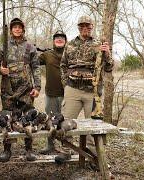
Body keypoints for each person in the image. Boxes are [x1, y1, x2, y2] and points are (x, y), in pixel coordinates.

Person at [56, 15, 114, 163]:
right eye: (82, 26)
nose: (85, 29)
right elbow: (63, 65)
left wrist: (106, 53)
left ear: (92, 27)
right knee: (66, 121)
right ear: (79, 27)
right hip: (72, 89)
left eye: (88, 26)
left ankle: (94, 156)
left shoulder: (99, 44)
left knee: (94, 124)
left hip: (92, 91)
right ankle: (65, 151)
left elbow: (109, 67)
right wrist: (66, 84)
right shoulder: (70, 45)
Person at [0, 18, 41, 162]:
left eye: (20, 27)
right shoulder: (3, 47)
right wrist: (0, 70)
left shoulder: (30, 47)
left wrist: (37, 87)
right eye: (14, 27)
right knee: (7, 118)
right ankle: (7, 150)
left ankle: (29, 150)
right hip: (8, 90)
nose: (17, 29)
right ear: (11, 30)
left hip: (26, 90)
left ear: (23, 29)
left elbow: (36, 68)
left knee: (28, 117)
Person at [38, 30, 67, 154]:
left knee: (64, 122)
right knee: (49, 120)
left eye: (62, 38)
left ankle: (65, 147)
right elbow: (33, 62)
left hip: (67, 94)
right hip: (50, 94)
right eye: (57, 38)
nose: (59, 39)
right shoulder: (47, 54)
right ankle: (50, 145)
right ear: (53, 41)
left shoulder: (70, 53)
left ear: (65, 41)